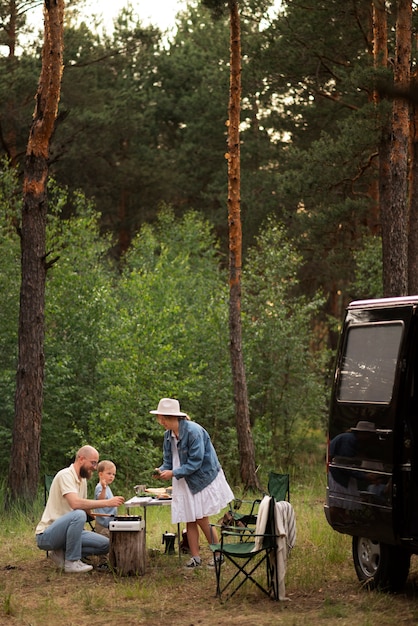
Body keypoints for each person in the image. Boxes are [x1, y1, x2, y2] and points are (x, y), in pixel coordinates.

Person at [151, 397, 234, 568]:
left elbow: (196, 462)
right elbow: (168, 461)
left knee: (201, 517)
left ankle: (219, 554)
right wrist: (161, 471)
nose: (161, 422)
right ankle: (196, 558)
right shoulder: (168, 436)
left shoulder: (194, 431)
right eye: (160, 419)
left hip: (201, 477)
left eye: (163, 419)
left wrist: (173, 473)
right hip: (182, 479)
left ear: (173, 417)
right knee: (189, 517)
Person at [35, 445, 125, 573]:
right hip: (48, 534)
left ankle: (62, 553)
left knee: (106, 544)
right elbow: (75, 504)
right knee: (78, 514)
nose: (95, 467)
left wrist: (97, 516)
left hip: (71, 532)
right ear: (81, 459)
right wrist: (107, 503)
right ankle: (72, 562)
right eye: (93, 463)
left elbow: (85, 507)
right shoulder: (65, 475)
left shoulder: (83, 481)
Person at [94, 460, 118, 537]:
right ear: (101, 474)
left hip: (109, 521)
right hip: (103, 523)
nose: (112, 476)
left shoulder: (106, 487)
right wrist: (103, 489)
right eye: (109, 473)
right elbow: (101, 500)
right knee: (105, 539)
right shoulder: (100, 487)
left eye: (113, 474)